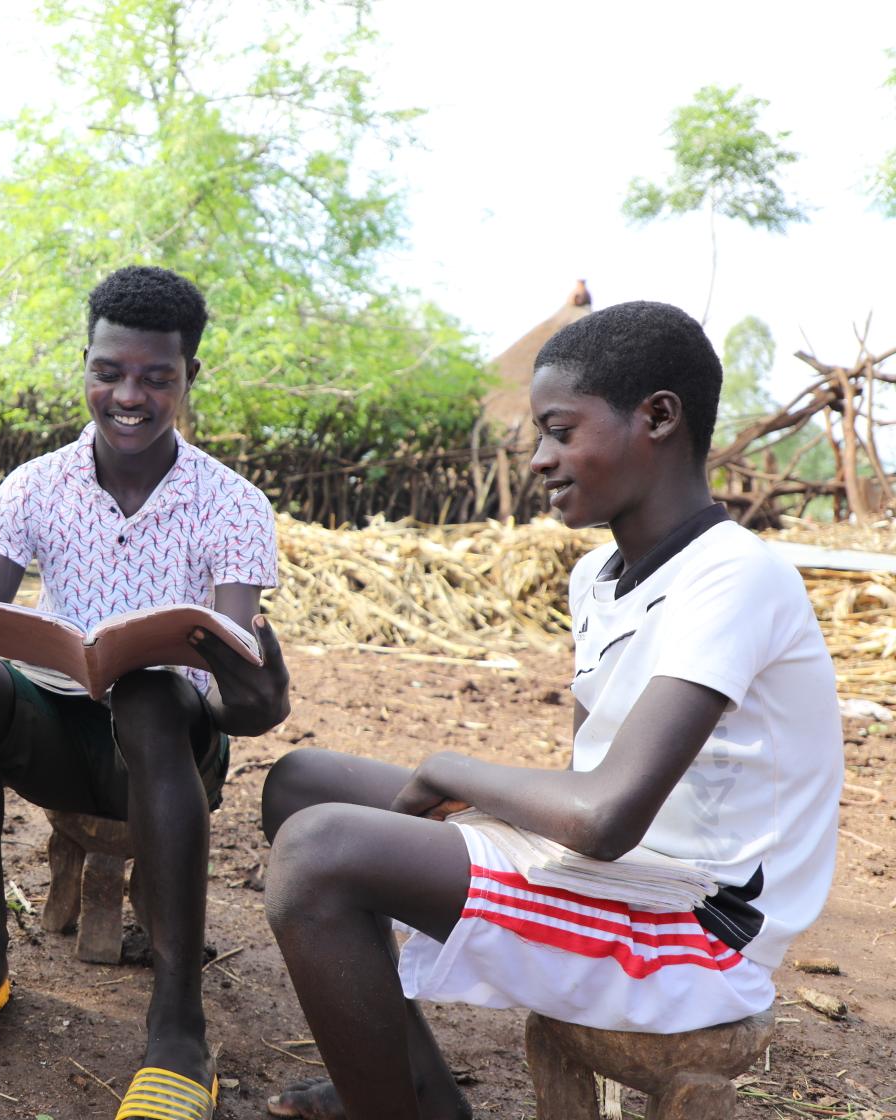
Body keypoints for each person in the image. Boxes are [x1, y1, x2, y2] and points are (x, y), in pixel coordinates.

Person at [256, 300, 843, 1120]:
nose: (538, 458)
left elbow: (603, 815)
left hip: (698, 931)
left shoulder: (736, 577)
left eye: (561, 431)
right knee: (302, 785)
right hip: (628, 877)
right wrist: (484, 814)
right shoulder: (598, 579)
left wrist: (447, 771)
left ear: (659, 418)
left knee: (320, 851)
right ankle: (419, 1094)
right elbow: (587, 785)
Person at [0, 265, 290, 1120]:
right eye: (109, 370)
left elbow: (232, 687)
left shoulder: (232, 503)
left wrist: (251, 695)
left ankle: (179, 1027)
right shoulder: (34, 484)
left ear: (190, 378)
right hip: (56, 735)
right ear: (85, 362)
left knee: (147, 695)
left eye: (158, 376)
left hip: (171, 750)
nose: (129, 395)